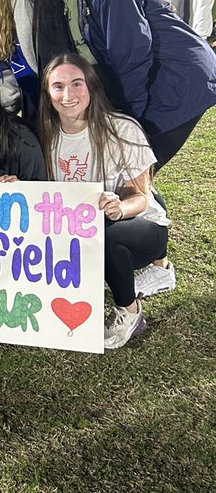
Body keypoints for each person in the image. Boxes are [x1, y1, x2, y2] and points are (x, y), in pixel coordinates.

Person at [23, 0, 216, 168]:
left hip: (176, 80)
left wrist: (128, 120)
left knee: (133, 168)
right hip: (154, 83)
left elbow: (132, 52)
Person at [38, 54, 174, 349]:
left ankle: (130, 311)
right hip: (78, 231)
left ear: (91, 87)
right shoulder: (44, 134)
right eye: (58, 86)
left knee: (106, 232)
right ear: (48, 94)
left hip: (138, 229)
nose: (68, 94)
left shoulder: (121, 129)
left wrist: (119, 207)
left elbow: (140, 196)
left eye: (77, 84)